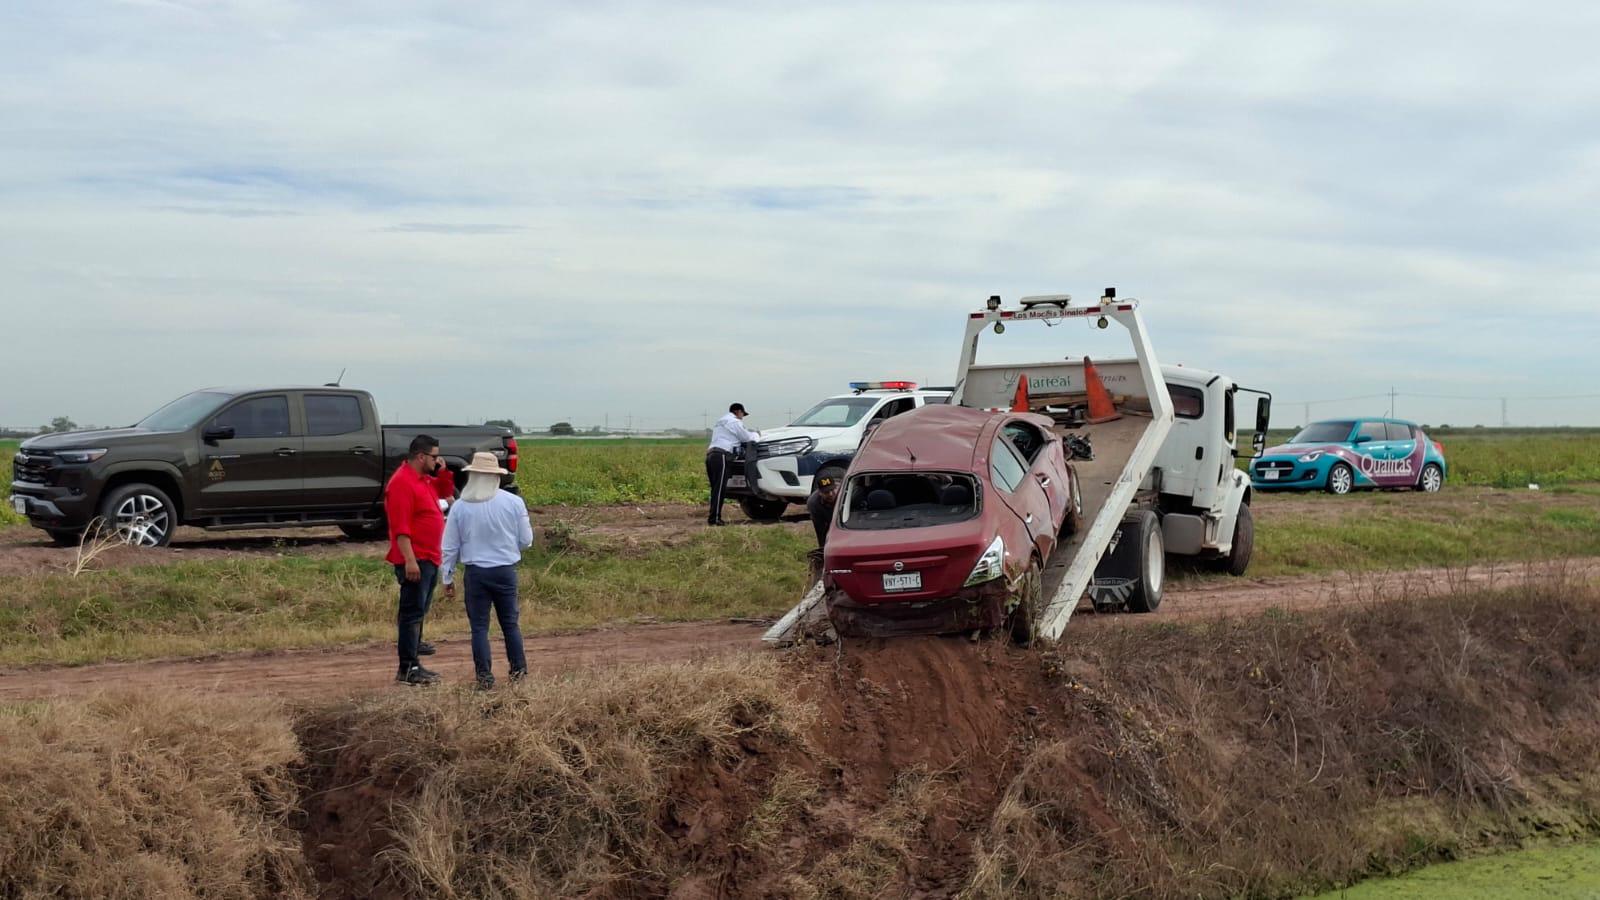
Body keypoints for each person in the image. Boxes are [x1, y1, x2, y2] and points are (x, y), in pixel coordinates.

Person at [441, 452, 534, 690]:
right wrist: (507, 547)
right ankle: (519, 672)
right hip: (505, 571)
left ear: (473, 475)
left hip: (476, 573)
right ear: (496, 476)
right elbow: (527, 540)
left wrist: (447, 577)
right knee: (510, 625)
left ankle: (484, 677)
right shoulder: (513, 503)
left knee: (479, 628)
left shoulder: (460, 507)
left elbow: (449, 545)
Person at [386, 434, 446, 685]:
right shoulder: (402, 483)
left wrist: (442, 472)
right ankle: (407, 668)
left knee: (418, 612)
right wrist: (409, 560)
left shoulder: (423, 480)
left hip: (429, 557)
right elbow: (400, 527)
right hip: (416, 559)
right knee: (411, 613)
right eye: (434, 456)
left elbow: (446, 495)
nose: (438, 460)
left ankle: (414, 659)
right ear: (421, 456)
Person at [705, 402, 760, 526]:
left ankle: (713, 516)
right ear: (738, 411)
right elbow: (746, 438)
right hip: (722, 455)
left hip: (711, 455)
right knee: (720, 489)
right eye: (742, 414)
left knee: (715, 489)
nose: (742, 417)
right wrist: (756, 435)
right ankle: (715, 519)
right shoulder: (734, 422)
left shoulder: (720, 422)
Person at [807, 473, 841, 548]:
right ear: (820, 493)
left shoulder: (844, 492)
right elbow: (820, 529)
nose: (831, 494)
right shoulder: (814, 503)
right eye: (826, 492)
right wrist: (822, 548)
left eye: (832, 490)